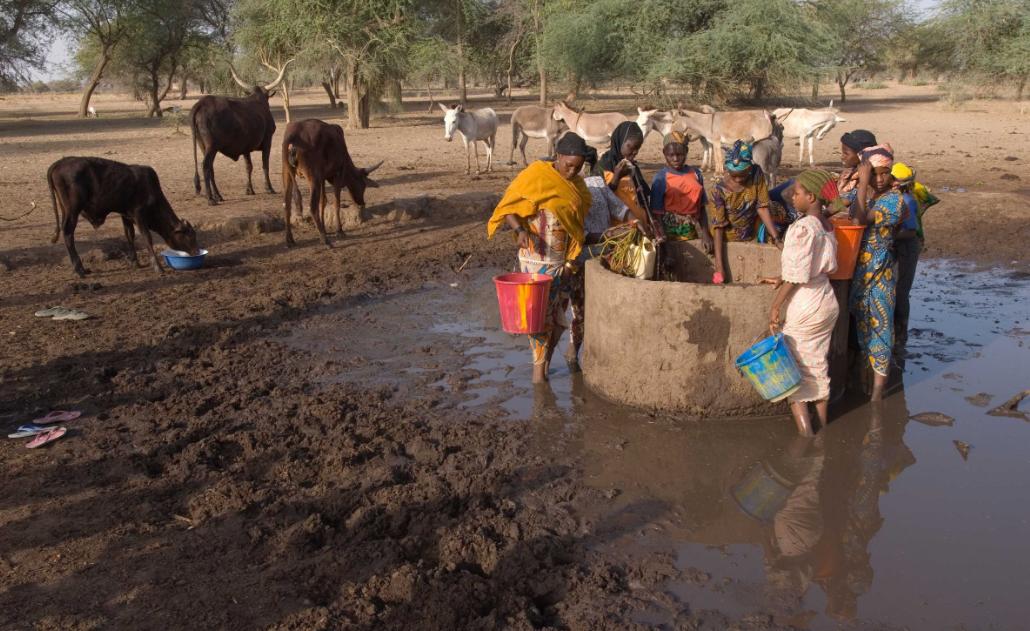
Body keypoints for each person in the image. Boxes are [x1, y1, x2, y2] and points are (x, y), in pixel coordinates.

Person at [487, 132, 593, 384]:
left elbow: (577, 222)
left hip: (564, 262)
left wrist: (570, 260)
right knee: (539, 318)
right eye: (569, 165)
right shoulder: (536, 176)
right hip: (537, 262)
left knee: (558, 318)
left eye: (578, 168)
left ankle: (544, 366)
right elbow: (507, 206)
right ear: (558, 157)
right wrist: (520, 230)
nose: (572, 172)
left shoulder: (577, 184)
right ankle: (538, 376)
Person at [763, 170, 841, 436]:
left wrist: (776, 306)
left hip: (807, 304)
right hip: (826, 299)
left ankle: (808, 439)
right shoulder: (826, 225)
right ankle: (824, 432)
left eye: (796, 193)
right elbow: (812, 267)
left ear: (811, 196)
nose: (792, 197)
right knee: (817, 367)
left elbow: (797, 276)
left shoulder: (802, 227)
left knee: (793, 374)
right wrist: (783, 278)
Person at [849, 144, 905, 400]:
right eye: (875, 174)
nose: (880, 179)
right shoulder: (872, 197)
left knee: (881, 330)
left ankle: (877, 395)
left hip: (881, 274)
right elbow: (846, 210)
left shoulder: (894, 200)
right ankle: (865, 386)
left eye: (885, 173)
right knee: (864, 329)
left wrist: (861, 184)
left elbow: (859, 221)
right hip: (863, 273)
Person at [566, 147, 631, 370]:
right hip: (581, 258)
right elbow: (578, 235)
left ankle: (602, 357)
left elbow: (620, 209)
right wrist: (609, 235)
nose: (579, 170)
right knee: (581, 311)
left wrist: (636, 223)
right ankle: (573, 353)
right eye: (575, 166)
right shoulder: (566, 190)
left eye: (583, 165)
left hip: (605, 256)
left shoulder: (596, 183)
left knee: (607, 308)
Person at [710, 140, 783, 284]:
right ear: (726, 169)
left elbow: (762, 207)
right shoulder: (718, 190)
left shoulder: (756, 174)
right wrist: (719, 266)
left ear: (750, 168)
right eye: (733, 175)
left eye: (743, 175)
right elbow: (718, 227)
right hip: (728, 238)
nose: (738, 180)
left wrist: (776, 238)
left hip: (751, 232)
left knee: (779, 211)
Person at [891, 162, 940, 350]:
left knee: (900, 291)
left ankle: (901, 335)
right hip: (900, 244)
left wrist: (887, 234)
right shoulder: (901, 197)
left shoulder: (908, 201)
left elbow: (910, 231)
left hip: (907, 246)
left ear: (897, 183)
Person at [649, 131, 714, 254]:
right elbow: (656, 214)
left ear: (686, 151)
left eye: (679, 154)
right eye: (671, 155)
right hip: (668, 232)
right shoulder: (661, 178)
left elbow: (701, 207)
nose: (675, 159)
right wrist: (665, 244)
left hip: (690, 229)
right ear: (664, 153)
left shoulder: (695, 174)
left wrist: (706, 234)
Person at [593, 121, 654, 231]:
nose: (635, 152)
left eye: (638, 148)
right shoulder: (602, 167)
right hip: (619, 231)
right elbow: (600, 201)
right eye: (631, 147)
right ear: (619, 141)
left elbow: (643, 198)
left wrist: (651, 222)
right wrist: (616, 177)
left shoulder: (632, 167)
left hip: (641, 227)